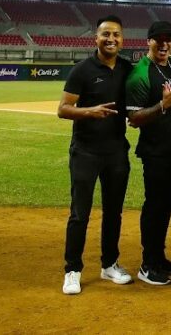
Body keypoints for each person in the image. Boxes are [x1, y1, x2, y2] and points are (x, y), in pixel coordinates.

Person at [57, 15, 134, 295]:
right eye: (105, 35)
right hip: (86, 151)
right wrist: (88, 112)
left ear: (122, 40)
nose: (111, 39)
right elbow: (63, 109)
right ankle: (73, 270)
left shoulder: (128, 69)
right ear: (96, 38)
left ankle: (109, 264)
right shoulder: (82, 69)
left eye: (116, 35)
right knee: (80, 213)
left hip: (116, 152)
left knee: (114, 212)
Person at [125, 20, 171, 286]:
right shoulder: (140, 74)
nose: (164, 44)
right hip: (156, 152)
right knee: (154, 206)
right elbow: (134, 118)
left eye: (169, 39)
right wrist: (163, 106)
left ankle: (159, 257)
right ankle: (148, 263)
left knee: (167, 205)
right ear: (148, 41)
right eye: (159, 39)